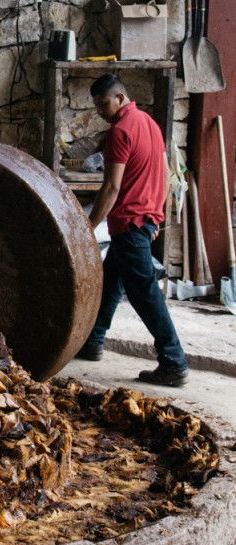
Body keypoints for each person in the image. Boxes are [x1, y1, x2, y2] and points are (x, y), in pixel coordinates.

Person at [75, 73, 189, 386]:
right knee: (112, 281)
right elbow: (166, 175)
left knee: (145, 294)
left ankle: (174, 361)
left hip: (128, 223)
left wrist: (90, 226)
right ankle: (93, 341)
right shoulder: (149, 123)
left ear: (120, 97)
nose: (101, 110)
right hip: (143, 220)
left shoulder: (120, 132)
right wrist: (157, 217)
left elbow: (111, 187)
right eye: (97, 106)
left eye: (104, 104)